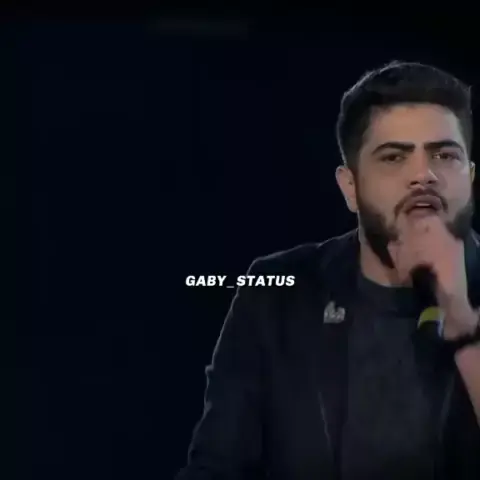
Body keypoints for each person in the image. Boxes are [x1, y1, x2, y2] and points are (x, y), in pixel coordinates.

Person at [175, 61, 480, 480]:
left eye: (444, 155)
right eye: (394, 157)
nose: (423, 175)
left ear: (470, 178)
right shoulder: (276, 295)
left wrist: (462, 320)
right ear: (350, 187)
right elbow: (216, 468)